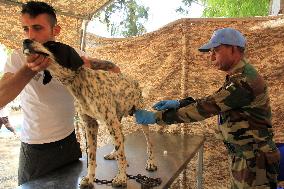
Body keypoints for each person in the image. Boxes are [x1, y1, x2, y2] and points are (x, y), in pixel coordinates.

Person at [135, 28, 280, 189]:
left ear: (232, 48)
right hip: (246, 157)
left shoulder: (244, 81)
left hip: (254, 162)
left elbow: (205, 108)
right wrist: (180, 103)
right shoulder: (238, 76)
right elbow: (213, 101)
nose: (211, 57)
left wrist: (156, 117)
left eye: (216, 50)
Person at [0, 1, 120, 185]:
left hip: (69, 143)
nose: (30, 35)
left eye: (38, 28)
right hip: (35, 149)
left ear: (55, 30)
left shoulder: (72, 55)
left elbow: (113, 69)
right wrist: (28, 69)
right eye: (26, 29)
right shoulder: (17, 57)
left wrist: (90, 71)